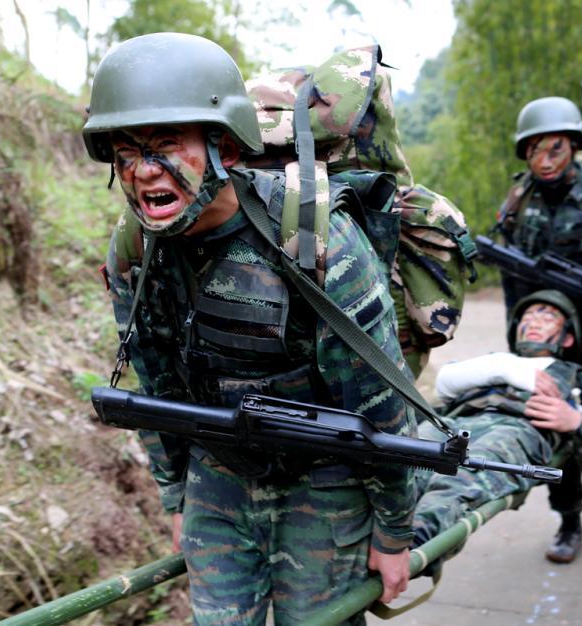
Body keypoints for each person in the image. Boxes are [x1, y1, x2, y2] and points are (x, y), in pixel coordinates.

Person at [83, 33, 416, 625]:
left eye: (166, 146)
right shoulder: (136, 249)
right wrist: (177, 495)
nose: (143, 171)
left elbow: (381, 409)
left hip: (326, 478)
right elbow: (155, 387)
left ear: (227, 151)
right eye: (126, 153)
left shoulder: (315, 241)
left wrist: (393, 532)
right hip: (219, 471)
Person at [494, 96, 582, 562]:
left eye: (555, 148)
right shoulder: (519, 202)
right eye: (534, 150)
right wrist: (520, 349)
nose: (545, 160)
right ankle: (569, 518)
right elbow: (514, 285)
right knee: (555, 429)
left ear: (573, 146)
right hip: (548, 342)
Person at [413, 290, 582, 551]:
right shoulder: (492, 365)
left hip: (516, 431)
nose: (534, 323)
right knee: (402, 458)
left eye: (548, 318)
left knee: (463, 479)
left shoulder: (581, 379)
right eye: (528, 317)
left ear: (568, 338)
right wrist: (501, 368)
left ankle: (414, 540)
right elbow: (441, 384)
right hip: (454, 425)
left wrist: (577, 422)